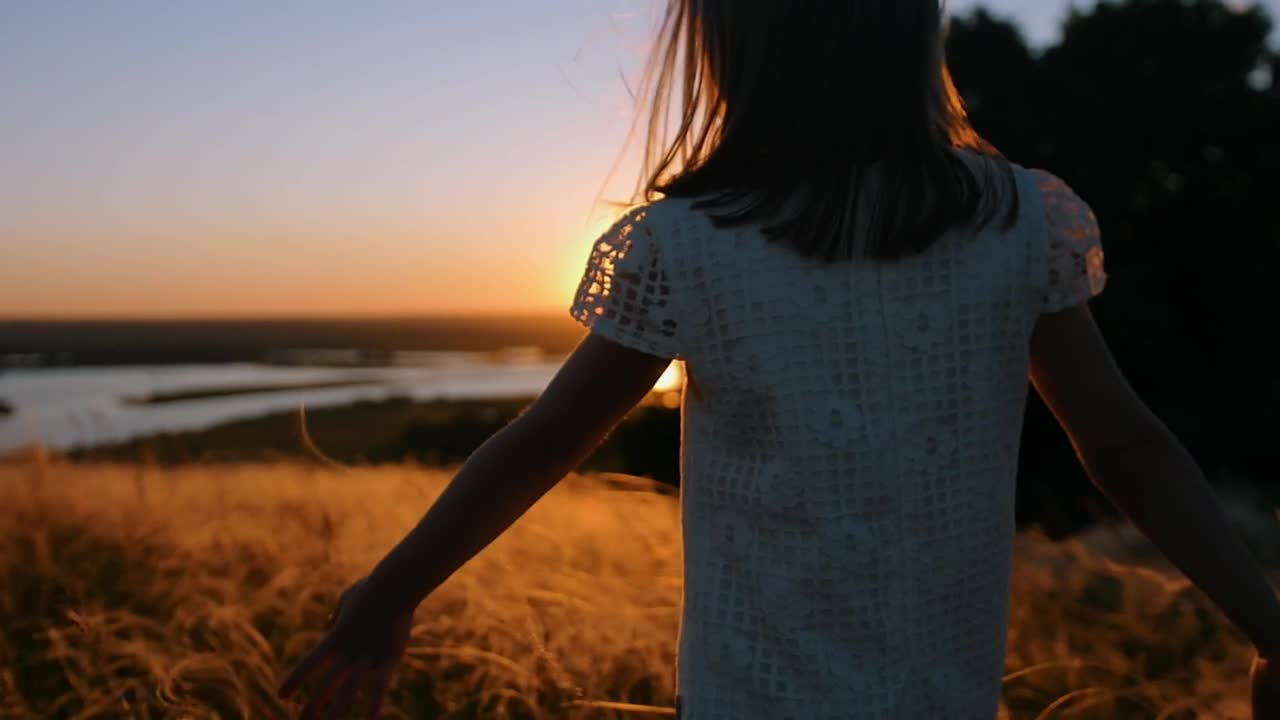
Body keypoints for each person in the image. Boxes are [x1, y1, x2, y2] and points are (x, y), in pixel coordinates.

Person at [277, 1, 1280, 717]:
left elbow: (544, 444)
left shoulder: (687, 243)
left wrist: (386, 596)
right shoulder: (1015, 224)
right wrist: (1265, 628)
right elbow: (1126, 448)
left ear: (726, 45)